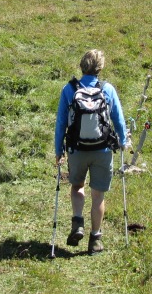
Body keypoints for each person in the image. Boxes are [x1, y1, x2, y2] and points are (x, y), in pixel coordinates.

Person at [54, 49, 129, 254]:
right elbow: (119, 120)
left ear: (81, 66)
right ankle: (95, 239)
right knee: (98, 196)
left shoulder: (69, 90)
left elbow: (61, 123)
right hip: (102, 150)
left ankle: (78, 221)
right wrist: (123, 141)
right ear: (100, 67)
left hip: (77, 149)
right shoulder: (108, 89)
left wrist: (58, 149)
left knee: (77, 186)